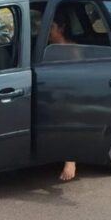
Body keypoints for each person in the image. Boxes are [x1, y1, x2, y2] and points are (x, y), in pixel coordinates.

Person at [47, 11, 78, 181]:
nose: (47, 31)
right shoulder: (48, 48)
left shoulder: (72, 50)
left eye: (51, 27)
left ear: (62, 28)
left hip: (67, 95)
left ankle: (70, 159)